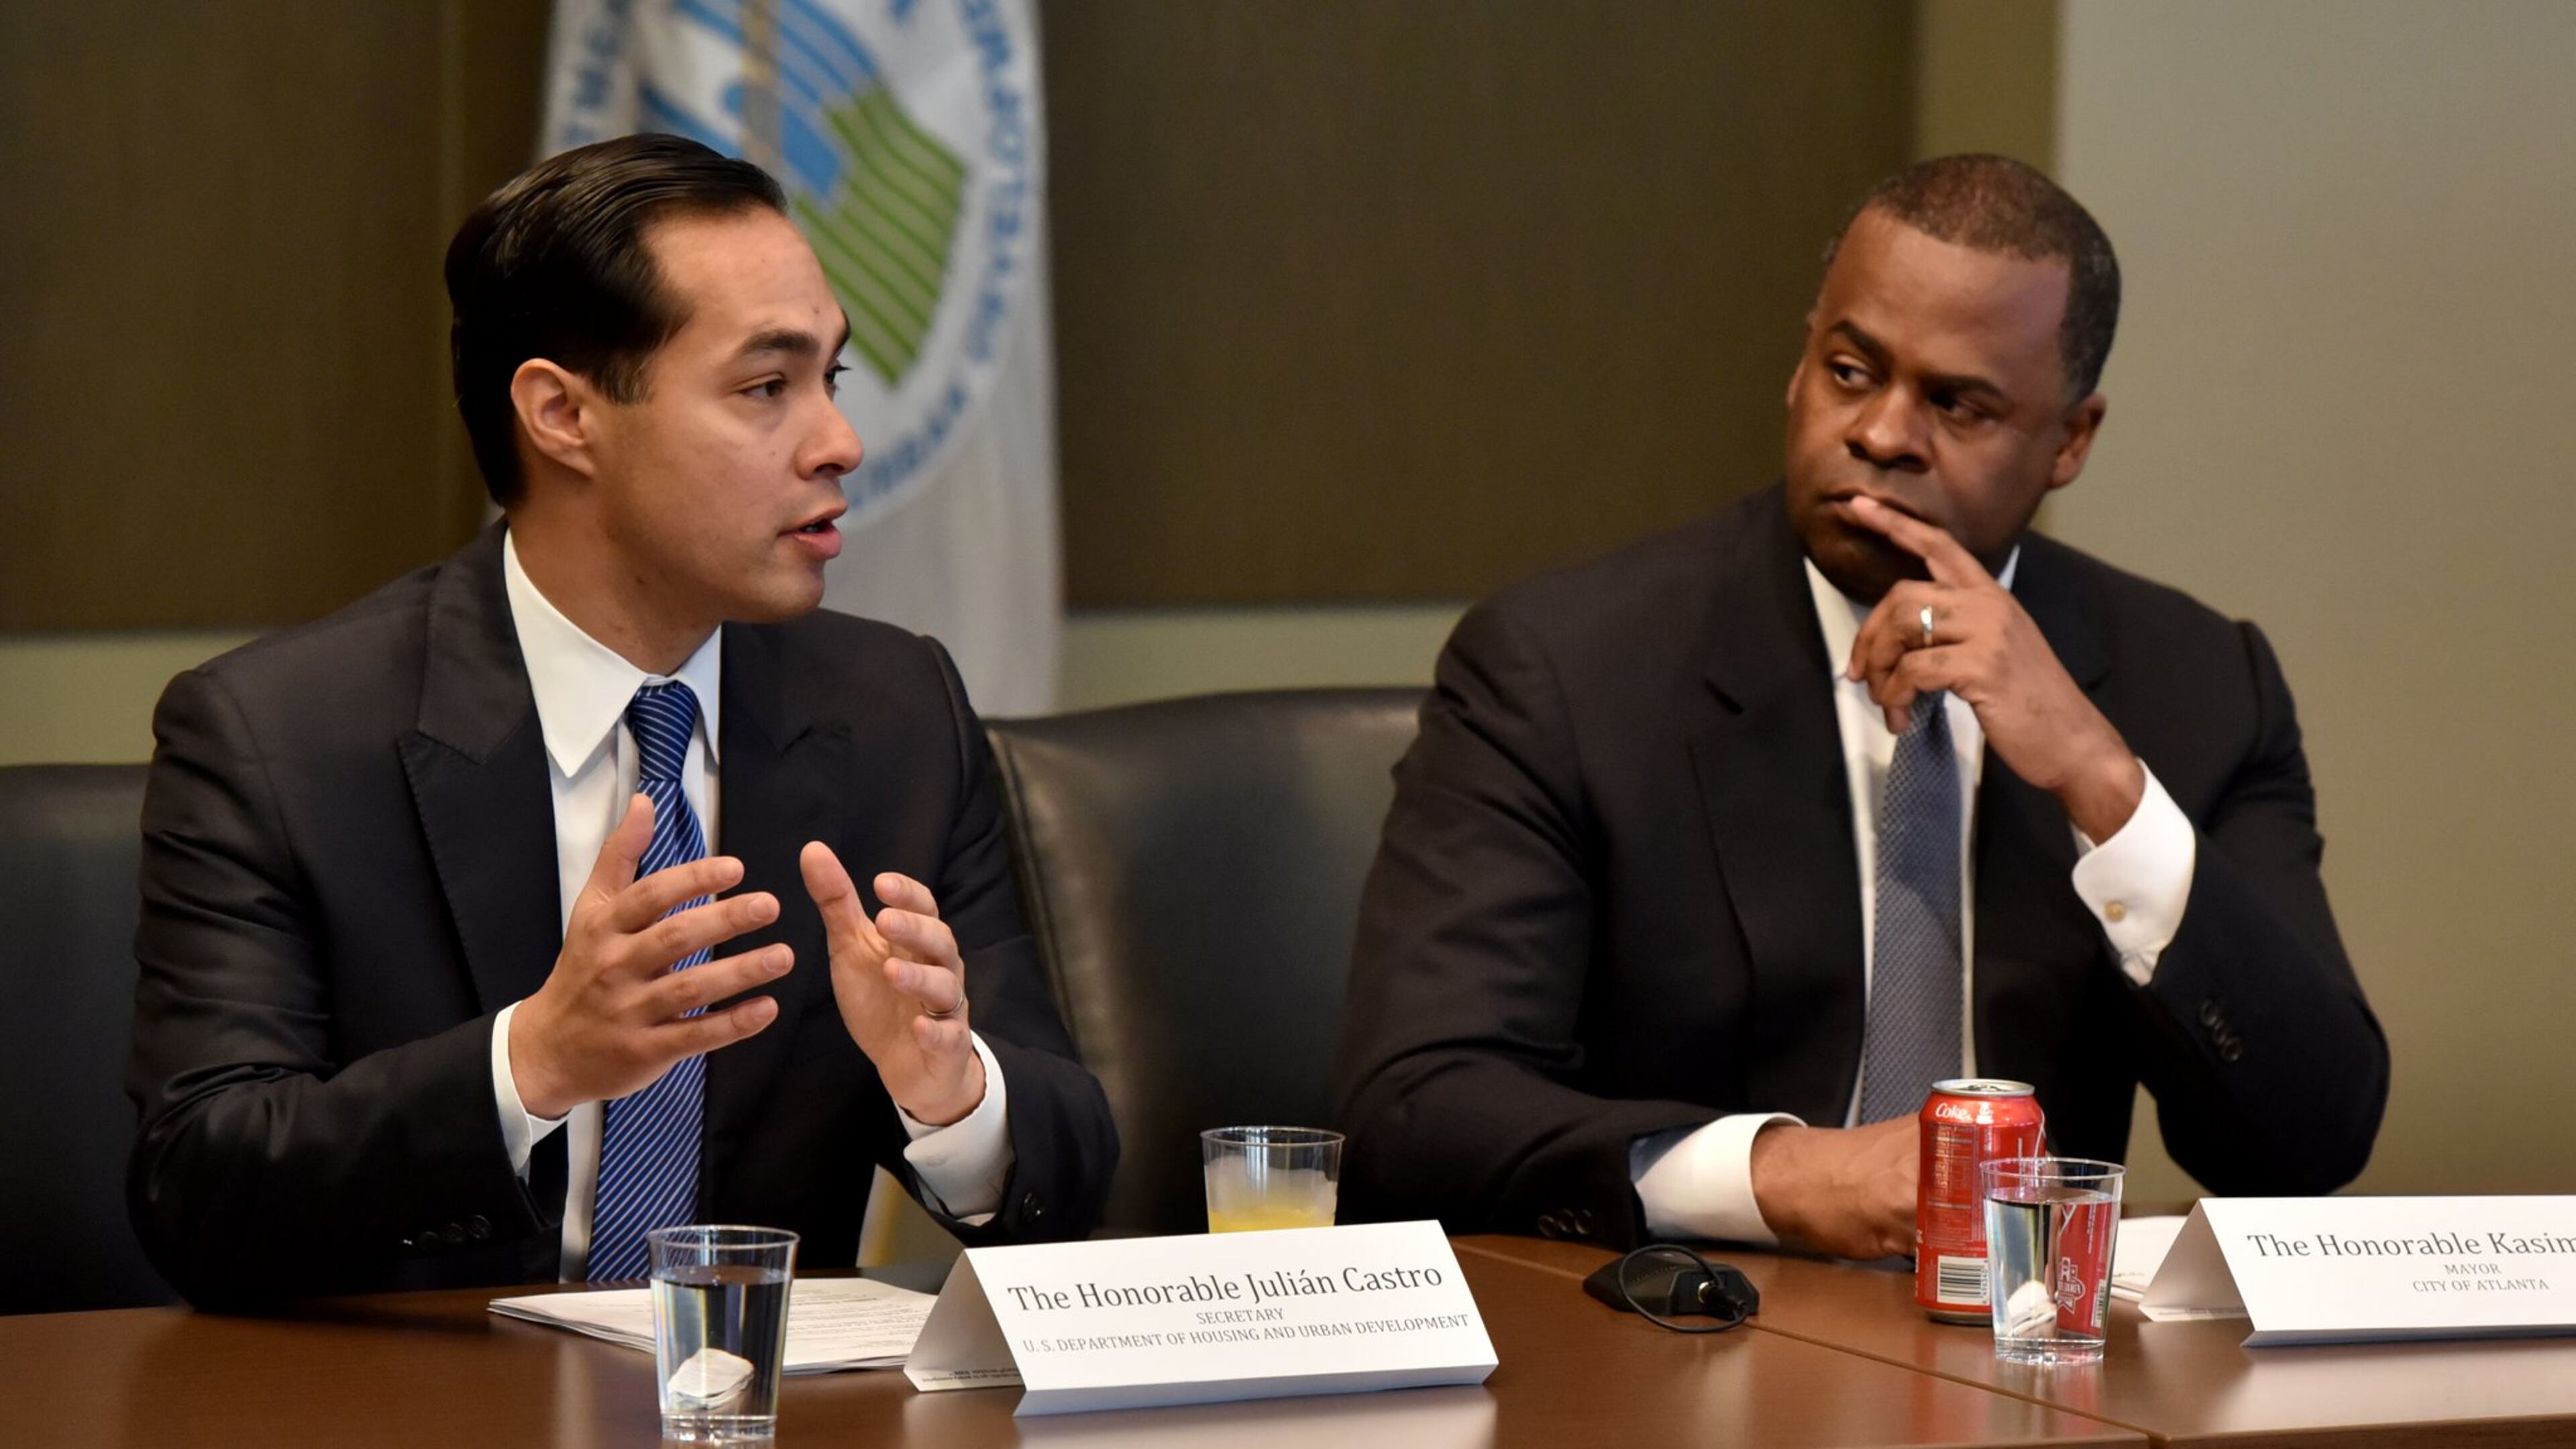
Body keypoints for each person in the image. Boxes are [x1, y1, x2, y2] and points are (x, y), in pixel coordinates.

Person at [1334, 154, 2387, 1259]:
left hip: (2034, 1375)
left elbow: (2310, 1142)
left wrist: (2103, 784)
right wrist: (1783, 1176)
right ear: (1801, 368)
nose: (1883, 434)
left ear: (2071, 440)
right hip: (1685, 1352)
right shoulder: (1568, 670)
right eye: (1850, 371)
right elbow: (1413, 1109)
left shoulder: (2200, 684)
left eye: (1956, 404)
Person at [126, 135, 1117, 1305]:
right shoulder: (275, 738)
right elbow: (197, 1186)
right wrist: (532, 1064)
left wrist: (953, 1092)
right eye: (765, 388)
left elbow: (1069, 1166)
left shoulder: (898, 712)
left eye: (829, 380)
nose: (839, 442)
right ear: (562, 415)